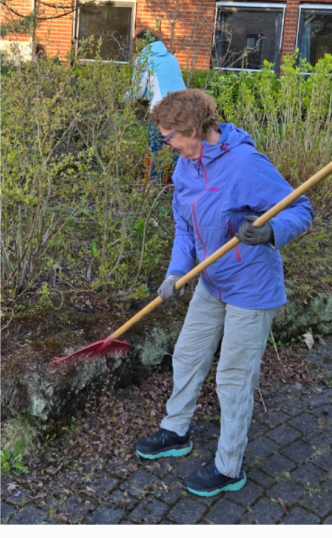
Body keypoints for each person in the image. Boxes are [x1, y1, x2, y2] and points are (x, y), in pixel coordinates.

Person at [132, 89, 313, 497]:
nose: (167, 144)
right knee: (188, 354)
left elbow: (301, 209)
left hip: (251, 288)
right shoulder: (185, 168)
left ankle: (229, 467)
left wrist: (270, 231)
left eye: (170, 137)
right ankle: (176, 432)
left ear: (192, 130)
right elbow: (184, 227)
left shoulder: (246, 165)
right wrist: (178, 271)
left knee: (233, 378)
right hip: (212, 282)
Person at [128, 28, 186, 179]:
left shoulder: (144, 59)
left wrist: (120, 100)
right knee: (177, 147)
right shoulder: (171, 57)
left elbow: (137, 92)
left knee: (155, 148)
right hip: (185, 107)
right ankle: (177, 185)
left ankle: (154, 187)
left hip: (163, 109)